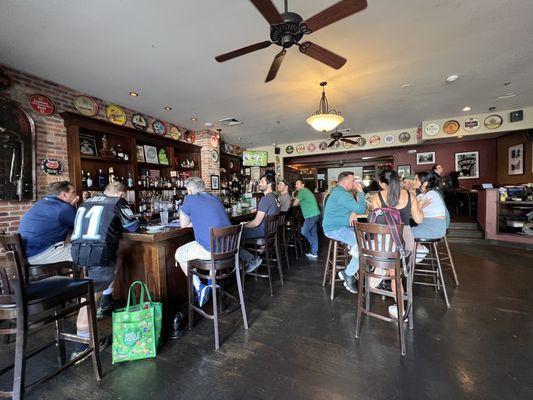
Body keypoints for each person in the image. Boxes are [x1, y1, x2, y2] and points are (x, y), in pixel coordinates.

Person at [70, 181, 139, 359]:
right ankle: (81, 346)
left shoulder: (87, 202)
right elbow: (132, 226)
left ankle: (105, 303)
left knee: (115, 265)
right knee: (90, 297)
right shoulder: (118, 202)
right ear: (121, 194)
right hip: (98, 253)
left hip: (78, 253)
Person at [370, 169, 424, 319]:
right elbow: (419, 220)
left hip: (386, 243)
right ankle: (385, 272)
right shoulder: (410, 195)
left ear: (382, 183)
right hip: (405, 241)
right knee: (400, 272)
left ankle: (400, 310)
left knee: (394, 274)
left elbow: (375, 221)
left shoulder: (376, 197)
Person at [175, 177, 232, 307]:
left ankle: (199, 287)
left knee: (179, 253)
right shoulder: (214, 197)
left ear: (189, 190)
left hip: (211, 251)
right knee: (212, 244)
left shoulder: (189, 198)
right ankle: (211, 282)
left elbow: (183, 224)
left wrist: (193, 219)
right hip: (229, 248)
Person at [322, 172, 367, 293]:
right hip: (334, 229)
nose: (354, 183)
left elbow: (352, 209)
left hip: (340, 226)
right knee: (362, 245)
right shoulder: (342, 194)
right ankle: (348, 273)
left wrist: (352, 212)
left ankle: (356, 256)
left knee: (364, 237)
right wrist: (361, 192)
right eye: (353, 181)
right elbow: (361, 208)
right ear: (345, 181)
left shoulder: (339, 192)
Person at [19, 181, 79, 265]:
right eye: (73, 192)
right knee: (88, 252)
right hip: (39, 253)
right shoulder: (63, 208)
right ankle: (93, 277)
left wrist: (70, 205)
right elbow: (83, 225)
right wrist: (71, 206)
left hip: (25, 254)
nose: (76, 195)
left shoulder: (40, 204)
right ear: (65, 195)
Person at [240, 173, 280, 272]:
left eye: (262, 182)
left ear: (269, 184)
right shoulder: (275, 197)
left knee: (233, 237)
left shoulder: (265, 199)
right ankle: (244, 261)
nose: (259, 184)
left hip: (262, 231)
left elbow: (256, 223)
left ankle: (252, 259)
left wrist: (242, 226)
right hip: (270, 232)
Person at [412, 171, 447, 239]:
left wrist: (418, 206)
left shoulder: (431, 195)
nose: (413, 181)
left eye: (416, 180)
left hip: (433, 229)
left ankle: (420, 248)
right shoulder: (421, 195)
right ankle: (418, 247)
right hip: (424, 227)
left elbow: (413, 211)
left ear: (425, 183)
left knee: (402, 232)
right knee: (403, 231)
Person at [292, 179, 321, 259]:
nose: (295, 186)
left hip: (311, 215)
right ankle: (314, 252)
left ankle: (313, 244)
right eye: (295, 184)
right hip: (315, 213)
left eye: (297, 184)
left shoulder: (302, 191)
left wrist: (293, 198)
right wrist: (295, 197)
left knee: (304, 231)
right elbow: (300, 201)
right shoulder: (306, 191)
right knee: (313, 233)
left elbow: (294, 204)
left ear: (302, 185)